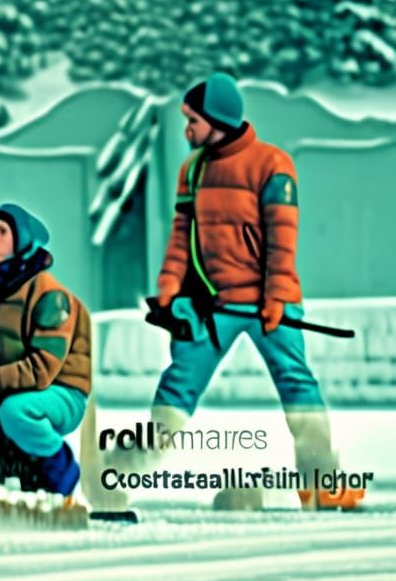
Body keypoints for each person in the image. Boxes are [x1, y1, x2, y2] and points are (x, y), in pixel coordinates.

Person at [145, 72, 358, 510]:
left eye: (193, 121)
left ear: (216, 120)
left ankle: (322, 479)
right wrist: (169, 283)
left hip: (268, 305)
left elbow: (283, 239)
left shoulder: (272, 165)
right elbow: (182, 233)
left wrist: (277, 296)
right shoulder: (193, 170)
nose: (186, 130)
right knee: (179, 382)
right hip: (214, 304)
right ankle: (128, 468)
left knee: (296, 382)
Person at [0, 204, 91, 495]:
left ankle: (61, 472)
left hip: (62, 390)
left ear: (19, 241)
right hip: (17, 385)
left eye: (3, 231)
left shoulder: (48, 294)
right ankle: (2, 481)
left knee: (14, 411)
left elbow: (44, 367)